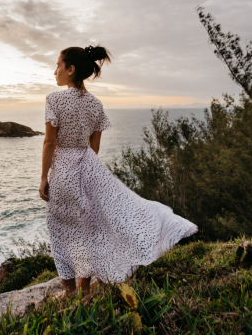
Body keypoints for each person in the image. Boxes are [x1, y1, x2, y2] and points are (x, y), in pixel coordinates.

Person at [39, 45, 197, 295]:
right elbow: (95, 146)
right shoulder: (96, 104)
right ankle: (85, 288)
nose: (54, 71)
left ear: (70, 70)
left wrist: (43, 178)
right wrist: (87, 172)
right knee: (88, 228)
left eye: (58, 65)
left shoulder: (54, 99)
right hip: (87, 167)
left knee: (61, 231)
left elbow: (49, 142)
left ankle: (71, 293)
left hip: (63, 171)